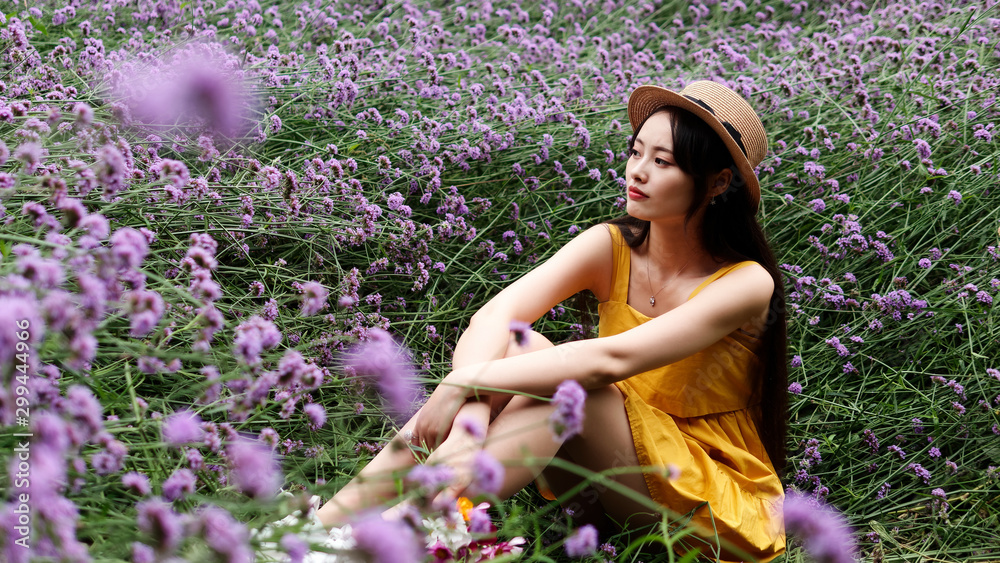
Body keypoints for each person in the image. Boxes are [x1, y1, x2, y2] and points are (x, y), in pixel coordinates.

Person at [316, 80, 788, 562]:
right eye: (636, 152)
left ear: (717, 183)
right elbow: (497, 316)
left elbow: (610, 360)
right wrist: (468, 425)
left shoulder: (747, 283)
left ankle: (388, 539)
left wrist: (464, 382)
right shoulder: (613, 245)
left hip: (704, 495)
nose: (638, 172)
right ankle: (323, 526)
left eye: (662, 162)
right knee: (525, 345)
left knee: (574, 386)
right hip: (601, 476)